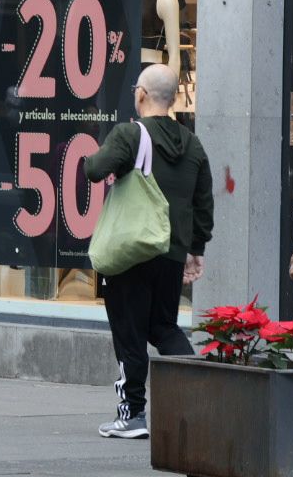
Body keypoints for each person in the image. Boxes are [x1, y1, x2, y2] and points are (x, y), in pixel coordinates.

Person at [83, 63, 214, 440]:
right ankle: (199, 398)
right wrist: (195, 248)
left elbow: (95, 169)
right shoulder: (192, 143)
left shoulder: (130, 133)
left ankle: (132, 414)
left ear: (141, 94)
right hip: (170, 252)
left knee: (130, 331)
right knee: (164, 327)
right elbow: (203, 201)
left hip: (130, 251)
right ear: (172, 99)